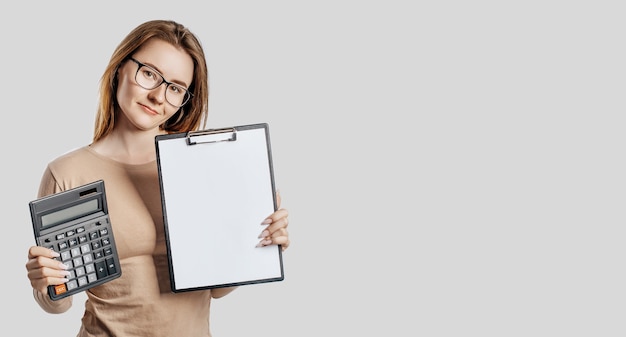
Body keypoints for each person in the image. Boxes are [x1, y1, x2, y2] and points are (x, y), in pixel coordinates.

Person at [24, 19, 290, 337]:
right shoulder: (67, 173)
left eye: (175, 88)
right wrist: (46, 285)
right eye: (149, 74)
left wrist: (259, 246)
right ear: (121, 67)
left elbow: (216, 290)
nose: (158, 96)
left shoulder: (200, 164)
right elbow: (58, 301)